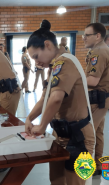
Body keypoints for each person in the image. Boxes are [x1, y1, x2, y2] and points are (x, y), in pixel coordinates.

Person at [25, 20, 95, 185]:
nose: (36, 62)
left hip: (79, 137)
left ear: (47, 45)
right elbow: (45, 98)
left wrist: (41, 126)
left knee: (75, 183)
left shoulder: (65, 63)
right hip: (60, 135)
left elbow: (56, 98)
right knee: (56, 181)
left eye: (36, 56)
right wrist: (29, 118)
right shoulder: (54, 67)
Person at [83, 23, 109, 176]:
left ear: (98, 36)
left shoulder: (98, 52)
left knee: (88, 134)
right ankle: (98, 166)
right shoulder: (103, 49)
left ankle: (86, 171)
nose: (84, 38)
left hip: (97, 100)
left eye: (87, 35)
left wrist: (75, 77)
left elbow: (92, 81)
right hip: (102, 100)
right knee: (98, 132)